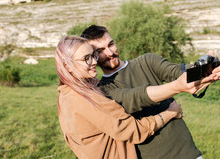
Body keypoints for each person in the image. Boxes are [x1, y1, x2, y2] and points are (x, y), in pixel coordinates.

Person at [81, 25, 220, 159]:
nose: (110, 52)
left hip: (187, 153)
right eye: (100, 51)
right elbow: (135, 98)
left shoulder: (147, 61)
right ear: (92, 56)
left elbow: (178, 72)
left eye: (111, 44)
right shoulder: (103, 90)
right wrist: (176, 88)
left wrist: (207, 69)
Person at [56, 35, 186, 159]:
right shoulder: (83, 98)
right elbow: (133, 130)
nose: (95, 61)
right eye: (86, 58)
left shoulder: (65, 93)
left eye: (93, 55)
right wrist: (170, 112)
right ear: (68, 66)